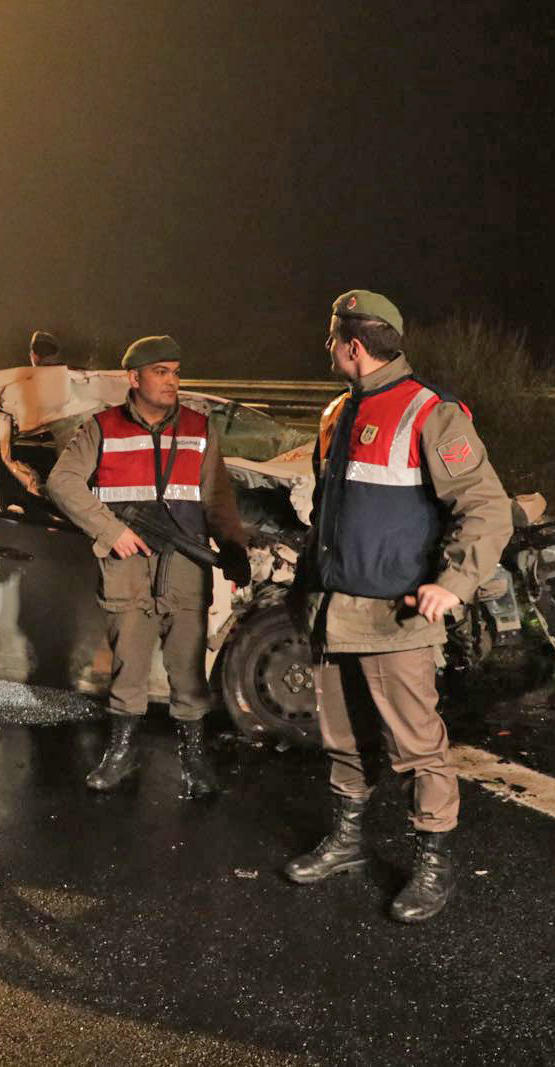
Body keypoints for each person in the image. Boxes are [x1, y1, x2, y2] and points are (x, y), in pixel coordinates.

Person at [284, 290, 512, 924]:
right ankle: (347, 842)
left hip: (397, 618)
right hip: (333, 610)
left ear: (352, 346)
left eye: (331, 340)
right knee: (342, 739)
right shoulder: (337, 412)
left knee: (417, 749)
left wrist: (456, 583)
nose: (328, 350)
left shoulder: (431, 414)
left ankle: (434, 866)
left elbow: (486, 508)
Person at [46, 335, 251, 799]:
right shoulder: (102, 428)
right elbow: (62, 481)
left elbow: (217, 497)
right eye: (161, 372)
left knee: (188, 671)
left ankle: (193, 759)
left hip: (184, 565)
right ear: (133, 378)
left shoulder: (199, 427)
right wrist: (110, 530)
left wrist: (234, 551)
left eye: (176, 371)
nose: (172, 381)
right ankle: (121, 753)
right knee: (129, 667)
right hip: (129, 567)